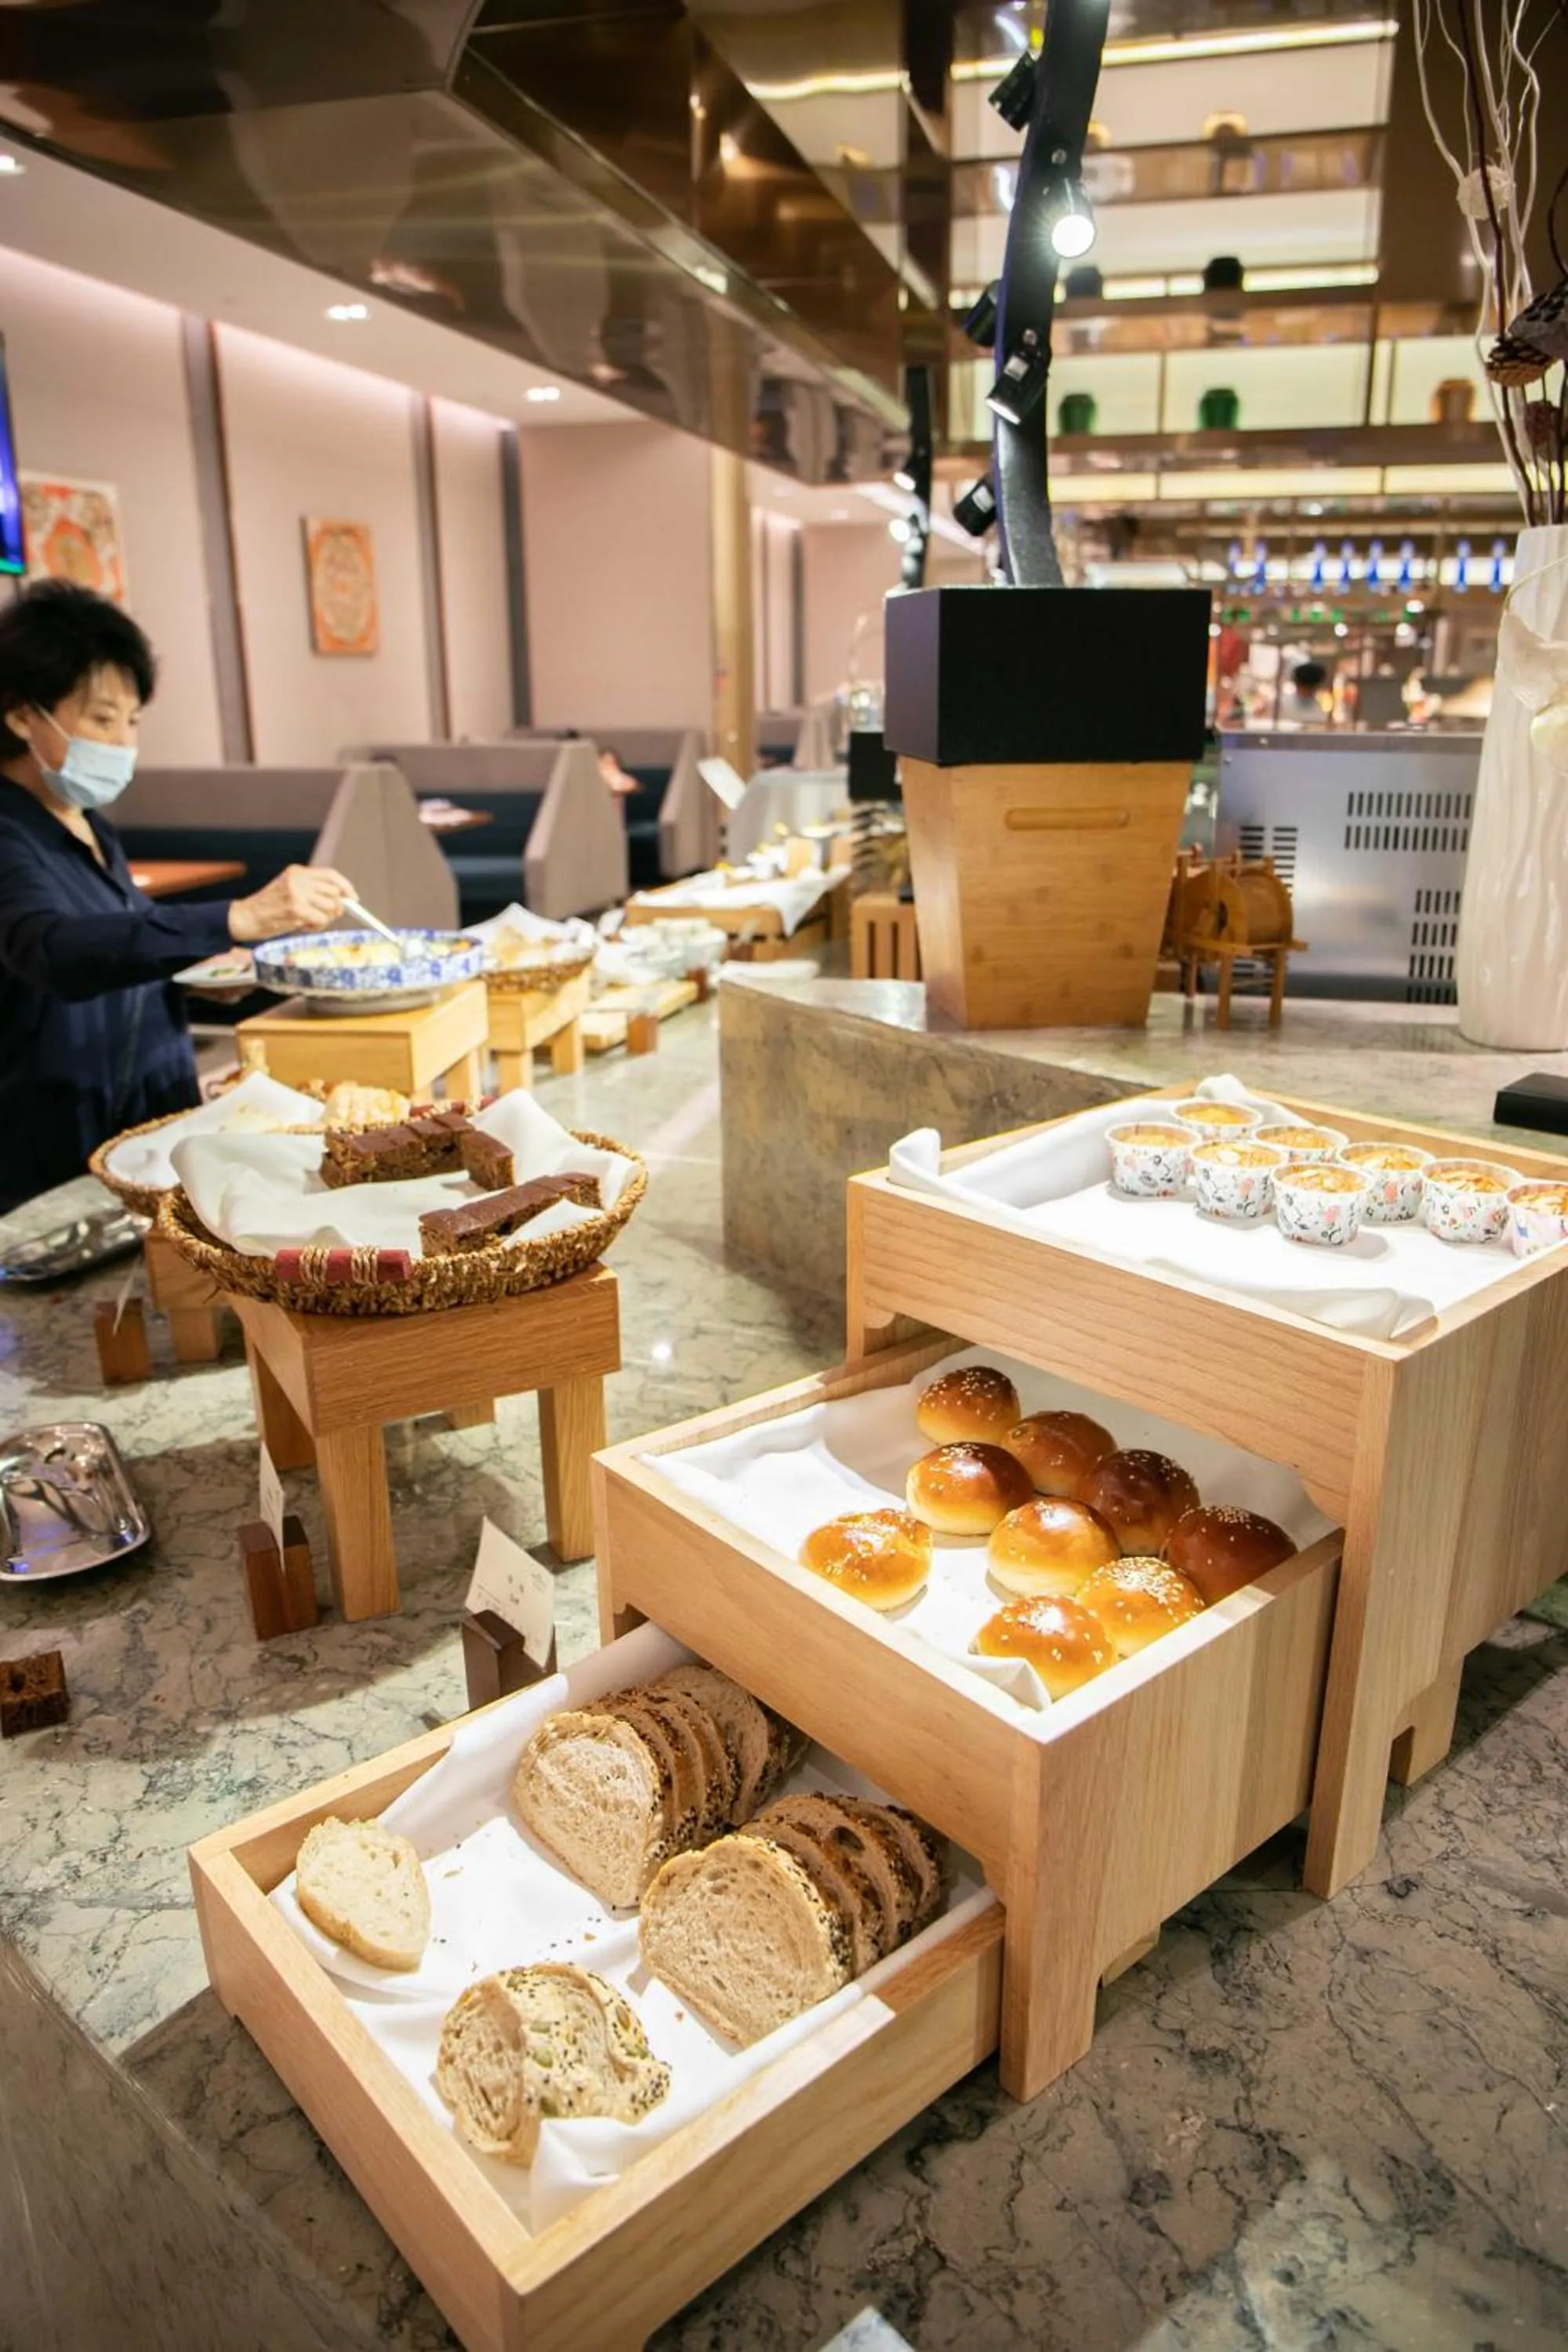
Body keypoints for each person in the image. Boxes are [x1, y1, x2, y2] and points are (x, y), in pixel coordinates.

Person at [0, 580, 354, 1210]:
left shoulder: (85, 821)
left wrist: (195, 973)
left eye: (132, 721)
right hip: (55, 1146)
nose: (123, 743)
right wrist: (237, 915)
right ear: (23, 713)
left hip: (147, 1118)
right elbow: (53, 950)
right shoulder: (9, 831)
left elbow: (128, 938)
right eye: (102, 718)